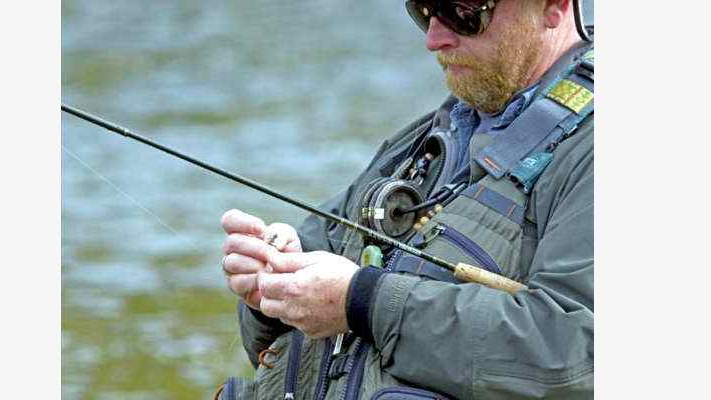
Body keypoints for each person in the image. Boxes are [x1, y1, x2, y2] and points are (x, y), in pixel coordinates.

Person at [218, 0, 593, 398]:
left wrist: (361, 302)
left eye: (462, 12)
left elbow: (576, 356)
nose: (434, 38)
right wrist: (274, 287)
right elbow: (273, 331)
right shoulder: (423, 142)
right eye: (424, 10)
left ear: (554, 6)